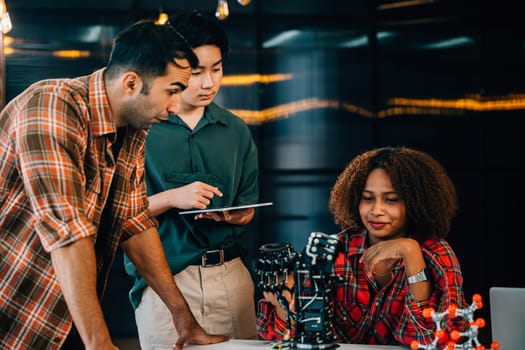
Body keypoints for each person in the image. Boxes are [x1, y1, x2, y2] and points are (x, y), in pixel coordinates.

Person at [0, 19, 228, 350]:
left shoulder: (132, 128)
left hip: (60, 317)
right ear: (132, 83)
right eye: (172, 91)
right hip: (12, 312)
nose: (176, 107)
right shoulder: (51, 107)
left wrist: (184, 319)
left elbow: (134, 221)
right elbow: (67, 234)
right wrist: (100, 344)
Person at [124, 10, 260, 350]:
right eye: (197, 72)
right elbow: (117, 213)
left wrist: (239, 214)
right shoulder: (141, 128)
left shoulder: (236, 131)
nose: (208, 82)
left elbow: (248, 207)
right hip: (164, 283)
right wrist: (172, 198)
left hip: (232, 277)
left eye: (216, 69)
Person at [256, 146, 467, 346]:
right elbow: (285, 336)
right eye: (368, 199)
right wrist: (283, 304)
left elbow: (429, 340)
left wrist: (411, 253)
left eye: (391, 200)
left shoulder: (437, 255)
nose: (376, 210)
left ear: (415, 204)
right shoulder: (334, 250)